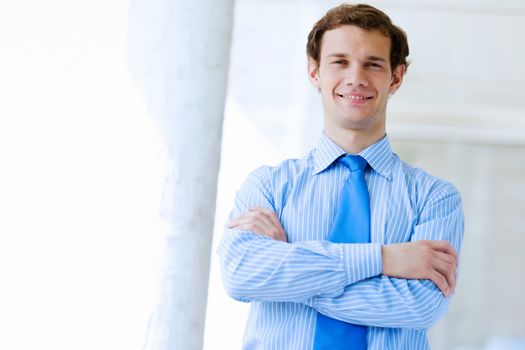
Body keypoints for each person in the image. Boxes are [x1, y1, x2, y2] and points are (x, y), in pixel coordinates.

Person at [218, 3, 464, 349]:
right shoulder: (269, 186)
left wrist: (289, 271)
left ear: (395, 77)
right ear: (314, 72)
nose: (356, 77)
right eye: (340, 61)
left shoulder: (434, 198)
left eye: (373, 64)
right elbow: (240, 274)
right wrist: (383, 259)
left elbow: (420, 306)